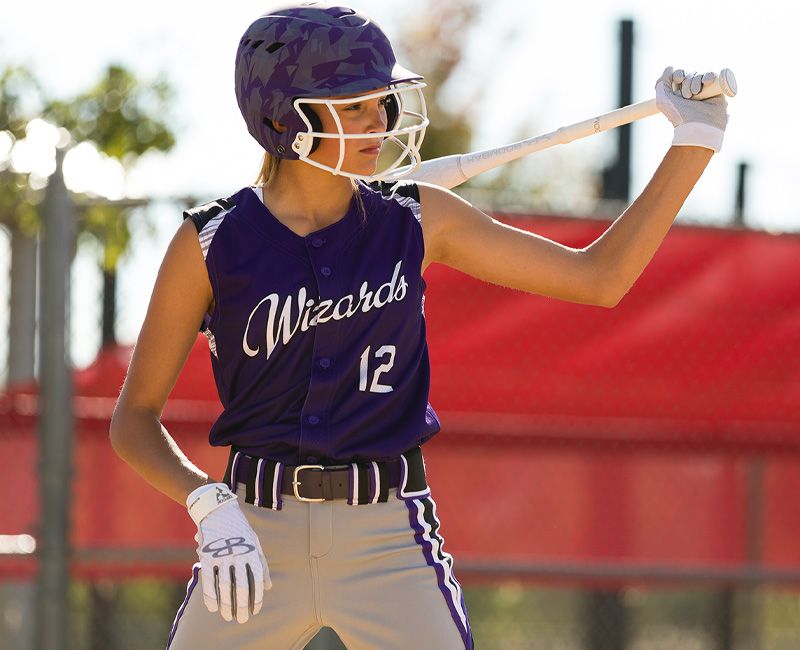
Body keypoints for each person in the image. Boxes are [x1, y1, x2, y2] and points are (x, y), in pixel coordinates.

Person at [109, 3, 728, 649]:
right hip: (251, 528)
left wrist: (695, 143)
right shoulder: (212, 240)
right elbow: (134, 418)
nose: (381, 120)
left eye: (382, 101)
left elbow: (600, 278)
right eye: (354, 106)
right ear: (282, 118)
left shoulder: (419, 217)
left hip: (390, 534)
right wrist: (209, 507)